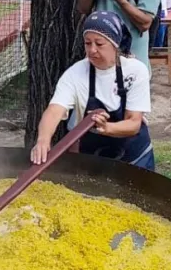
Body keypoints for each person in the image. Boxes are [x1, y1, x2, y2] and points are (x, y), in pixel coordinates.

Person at [31, 11, 155, 171]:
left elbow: (133, 123)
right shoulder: (75, 73)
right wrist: (43, 139)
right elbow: (54, 110)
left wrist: (107, 128)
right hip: (92, 159)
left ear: (115, 44)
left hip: (135, 159)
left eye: (99, 44)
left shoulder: (135, 71)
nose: (92, 50)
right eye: (87, 43)